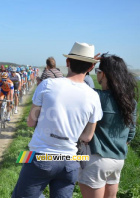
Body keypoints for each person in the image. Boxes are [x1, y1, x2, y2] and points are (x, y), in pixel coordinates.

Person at [12, 42, 103, 198]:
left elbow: (30, 122)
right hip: (69, 161)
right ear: (91, 68)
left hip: (42, 156)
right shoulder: (94, 96)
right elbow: (88, 136)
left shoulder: (48, 85)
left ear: (68, 62)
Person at [78, 54, 138, 198]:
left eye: (97, 71)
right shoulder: (130, 101)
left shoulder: (95, 96)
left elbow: (75, 84)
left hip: (95, 159)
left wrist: (85, 66)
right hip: (117, 160)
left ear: (103, 74)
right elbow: (131, 132)